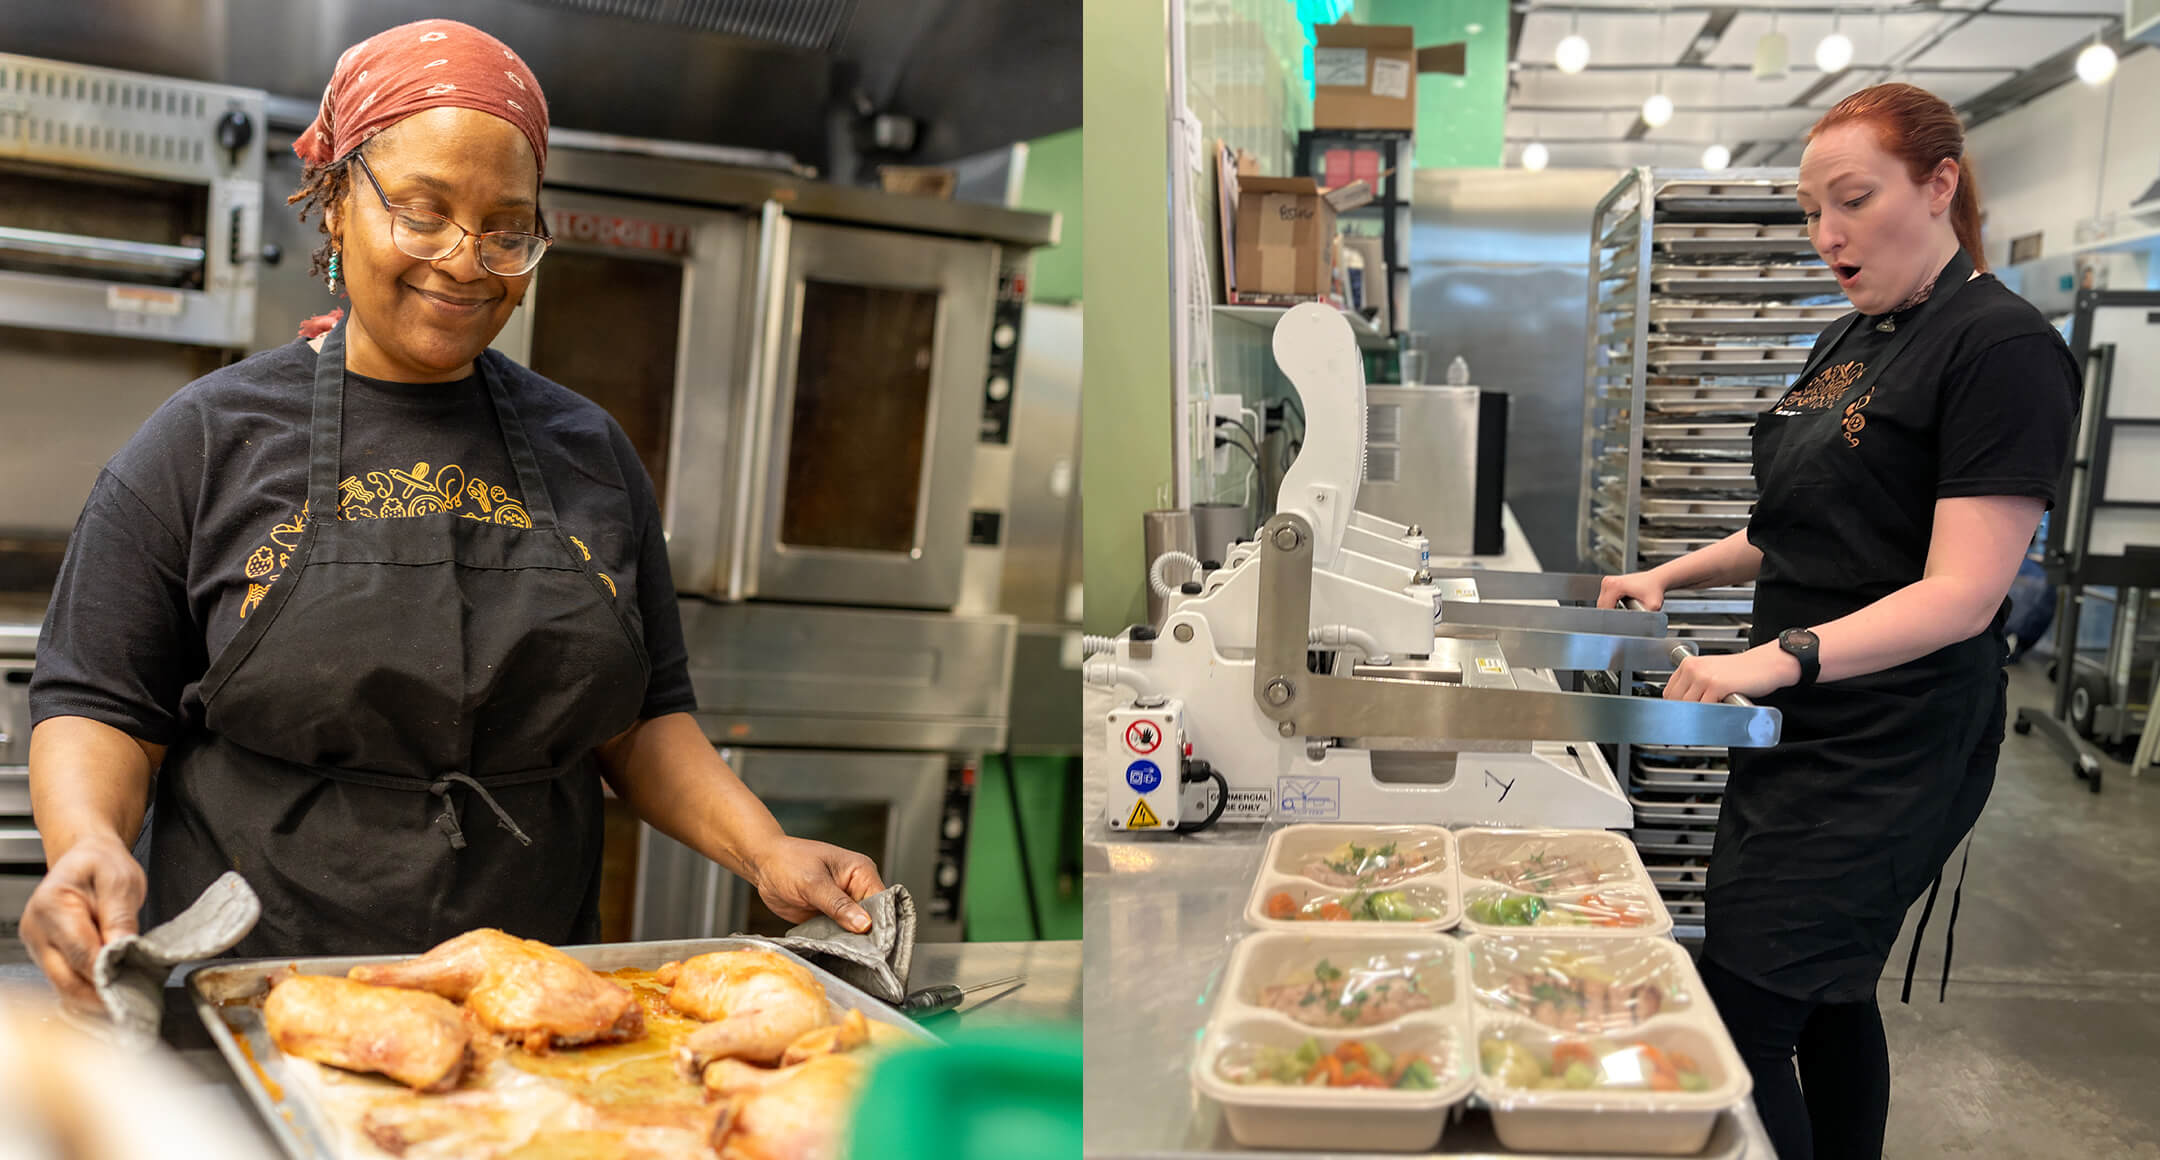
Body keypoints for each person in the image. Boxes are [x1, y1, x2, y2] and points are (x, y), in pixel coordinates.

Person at [22, 19, 883, 1009]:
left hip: (532, 1003)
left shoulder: (588, 451)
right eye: (423, 212)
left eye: (507, 227)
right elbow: (100, 703)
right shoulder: (207, 438)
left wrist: (766, 846)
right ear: (339, 202)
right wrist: (87, 842)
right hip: (258, 1000)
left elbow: (640, 724)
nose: (468, 261)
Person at [1600, 84, 2078, 1158]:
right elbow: (1799, 528)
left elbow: (1964, 593)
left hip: (1894, 742)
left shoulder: (2001, 349)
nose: (1828, 236)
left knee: (1742, 1014)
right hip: (1804, 725)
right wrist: (1667, 575)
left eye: (1853, 201)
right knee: (1824, 994)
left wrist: (1767, 660)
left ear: (1940, 185)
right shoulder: (1856, 336)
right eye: (1813, 210)